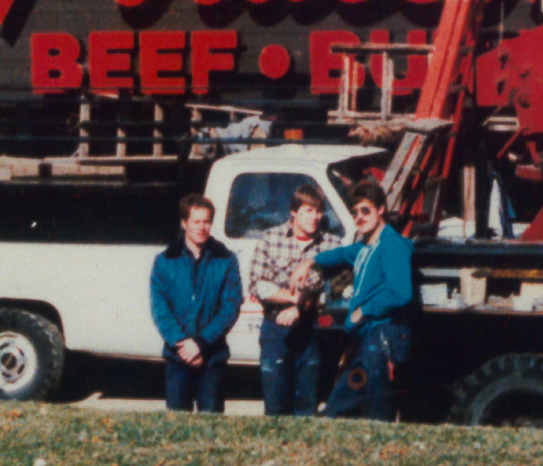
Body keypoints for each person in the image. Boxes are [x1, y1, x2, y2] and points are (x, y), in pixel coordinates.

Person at [303, 180, 413, 420]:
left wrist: (363, 311)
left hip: (384, 337)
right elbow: (343, 254)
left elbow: (401, 292)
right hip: (369, 340)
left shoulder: (392, 245)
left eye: (366, 210)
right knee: (340, 408)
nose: (359, 217)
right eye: (354, 212)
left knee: (375, 413)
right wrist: (311, 261)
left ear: (381, 209)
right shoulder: (366, 246)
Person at [248, 183, 342, 417]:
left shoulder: (331, 245)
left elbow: (324, 284)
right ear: (293, 211)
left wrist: (300, 308)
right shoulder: (270, 238)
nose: (315, 217)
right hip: (274, 328)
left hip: (311, 330)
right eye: (308, 210)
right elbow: (258, 284)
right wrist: (293, 300)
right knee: (275, 404)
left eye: (319, 211)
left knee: (306, 406)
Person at [149, 194, 242, 414]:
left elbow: (231, 306)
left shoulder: (226, 260)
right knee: (177, 426)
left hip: (212, 358)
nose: (202, 227)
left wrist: (200, 343)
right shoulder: (164, 261)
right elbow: (160, 308)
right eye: (196, 221)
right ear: (184, 223)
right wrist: (182, 343)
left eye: (206, 221)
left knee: (210, 425)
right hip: (177, 356)